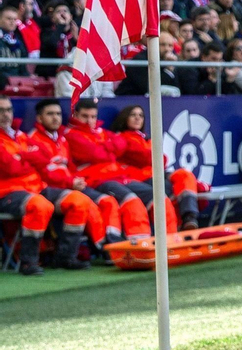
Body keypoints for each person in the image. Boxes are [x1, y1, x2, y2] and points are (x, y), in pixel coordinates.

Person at [0, 96, 101, 273]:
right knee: (40, 205)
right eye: (1, 111)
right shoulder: (22, 138)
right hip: (8, 192)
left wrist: (22, 157)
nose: (6, 114)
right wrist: (28, 157)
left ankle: (65, 257)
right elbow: (10, 168)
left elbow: (42, 161)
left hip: (36, 188)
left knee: (79, 201)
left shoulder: (20, 135)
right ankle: (28, 261)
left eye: (8, 110)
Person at [65, 98, 176, 235]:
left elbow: (120, 143)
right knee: (131, 201)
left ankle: (170, 240)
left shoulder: (101, 132)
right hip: (96, 180)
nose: (89, 121)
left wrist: (105, 149)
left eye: (93, 117)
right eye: (85, 116)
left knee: (159, 197)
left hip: (118, 176)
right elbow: (96, 154)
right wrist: (108, 150)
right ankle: (138, 245)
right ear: (75, 115)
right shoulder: (70, 134)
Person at [108, 104, 202, 232]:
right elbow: (143, 156)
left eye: (141, 115)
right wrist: (153, 156)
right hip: (139, 178)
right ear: (125, 118)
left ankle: (190, 218)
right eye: (133, 115)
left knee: (185, 175)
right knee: (169, 190)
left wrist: (153, 156)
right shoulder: (121, 137)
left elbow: (162, 160)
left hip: (156, 172)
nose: (137, 118)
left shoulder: (146, 138)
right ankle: (175, 232)